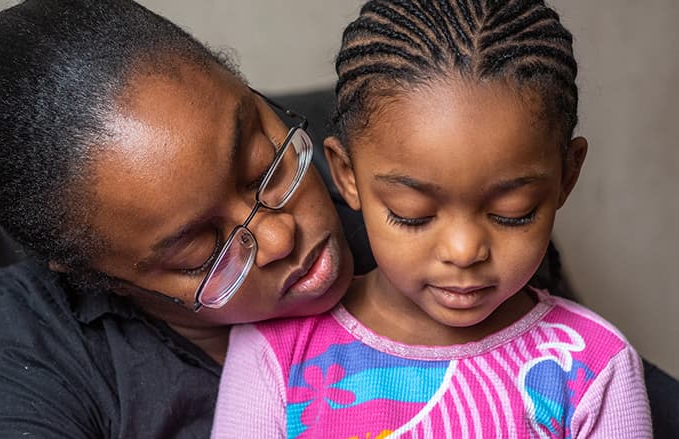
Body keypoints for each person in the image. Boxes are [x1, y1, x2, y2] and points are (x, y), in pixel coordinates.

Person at [0, 1, 357, 437]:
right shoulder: (30, 364)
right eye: (201, 250)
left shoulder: (389, 191)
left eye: (264, 167)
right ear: (96, 275)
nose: (281, 237)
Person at [211, 0, 652, 437]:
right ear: (347, 176)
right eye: (412, 215)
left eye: (512, 214)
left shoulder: (593, 366)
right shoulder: (277, 354)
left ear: (566, 177)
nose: (463, 251)